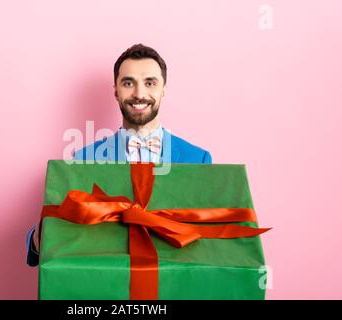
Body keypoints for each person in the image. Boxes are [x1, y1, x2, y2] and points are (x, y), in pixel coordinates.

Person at [26, 43, 212, 266]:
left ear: (164, 89)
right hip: (104, 286)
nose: (139, 94)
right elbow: (56, 237)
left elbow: (208, 242)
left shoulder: (198, 160)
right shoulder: (83, 160)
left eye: (150, 83)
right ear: (115, 90)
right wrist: (41, 238)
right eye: (128, 83)